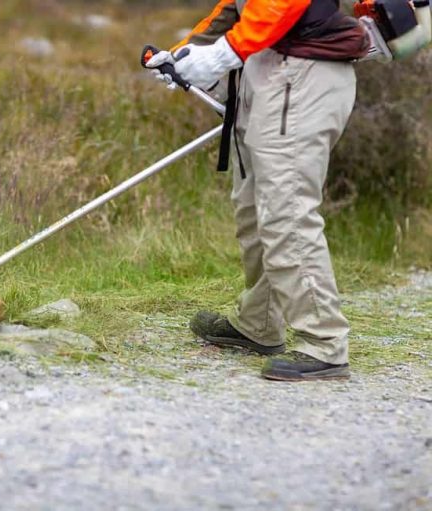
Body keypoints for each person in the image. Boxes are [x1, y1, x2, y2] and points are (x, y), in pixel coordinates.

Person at [145, 0, 370, 381]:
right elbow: (237, 7)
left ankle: (323, 343)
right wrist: (187, 51)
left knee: (286, 210)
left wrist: (221, 55)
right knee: (252, 206)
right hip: (265, 69)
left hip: (300, 74)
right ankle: (259, 322)